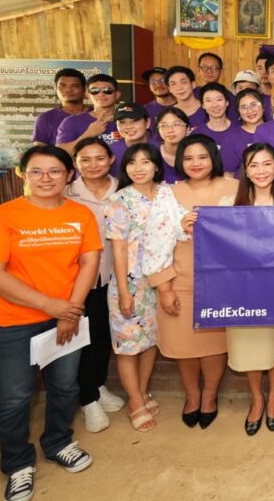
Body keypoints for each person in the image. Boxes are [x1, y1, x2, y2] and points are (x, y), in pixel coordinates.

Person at [0, 145, 102, 500]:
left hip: (66, 317)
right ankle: (17, 463)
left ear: (69, 175)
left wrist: (71, 311)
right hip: (10, 323)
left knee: (65, 386)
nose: (46, 178)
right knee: (15, 397)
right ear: (22, 175)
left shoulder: (81, 214)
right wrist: (52, 306)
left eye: (55, 171)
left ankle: (58, 441)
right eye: (36, 171)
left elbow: (89, 263)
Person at [143, 134, 236, 430]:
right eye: (188, 158)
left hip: (224, 284)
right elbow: (155, 243)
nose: (196, 163)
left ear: (213, 158)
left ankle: (209, 396)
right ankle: (192, 395)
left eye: (202, 157)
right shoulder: (168, 194)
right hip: (180, 280)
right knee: (183, 345)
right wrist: (164, 287)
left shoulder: (234, 188)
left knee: (214, 344)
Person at [230, 143, 274, 436]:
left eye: (267, 164)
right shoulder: (228, 203)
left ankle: (272, 398)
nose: (261, 171)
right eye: (254, 165)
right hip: (240, 294)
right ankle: (256, 399)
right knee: (248, 348)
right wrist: (191, 222)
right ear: (246, 171)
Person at [65, 138, 124, 434]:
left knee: (102, 336)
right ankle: (87, 399)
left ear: (111, 159)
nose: (93, 165)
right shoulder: (66, 194)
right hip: (77, 280)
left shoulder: (123, 189)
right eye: (85, 159)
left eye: (99, 158)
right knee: (82, 339)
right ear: (76, 163)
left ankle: (98, 386)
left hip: (113, 277)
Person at [105, 143, 165, 433]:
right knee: (128, 346)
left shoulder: (167, 194)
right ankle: (135, 401)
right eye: (132, 163)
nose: (138, 168)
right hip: (129, 283)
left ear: (156, 166)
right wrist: (124, 291)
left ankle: (141, 392)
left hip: (160, 280)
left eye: (145, 162)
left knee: (151, 340)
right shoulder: (120, 200)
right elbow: (118, 249)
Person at [56, 73, 121, 154]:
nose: (101, 94)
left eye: (107, 90)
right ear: (88, 95)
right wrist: (88, 134)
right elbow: (60, 153)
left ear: (117, 94)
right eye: (94, 91)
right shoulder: (72, 121)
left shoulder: (129, 120)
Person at [192, 82, 248, 174]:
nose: (214, 105)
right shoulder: (197, 134)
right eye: (208, 101)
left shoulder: (241, 129)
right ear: (203, 105)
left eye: (219, 99)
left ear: (227, 102)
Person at [33, 68, 89, 146]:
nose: (68, 90)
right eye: (62, 86)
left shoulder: (98, 114)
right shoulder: (45, 118)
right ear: (56, 88)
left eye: (74, 86)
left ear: (84, 89)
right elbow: (40, 150)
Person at [221, 88, 266, 175]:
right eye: (243, 107)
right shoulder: (232, 136)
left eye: (253, 105)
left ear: (263, 106)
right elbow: (229, 173)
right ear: (239, 111)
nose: (250, 111)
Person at [109, 102, 151, 175]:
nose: (128, 126)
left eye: (135, 121)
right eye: (122, 122)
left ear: (147, 123)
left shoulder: (161, 149)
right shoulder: (110, 151)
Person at [154, 107, 190, 184]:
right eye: (164, 125)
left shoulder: (196, 153)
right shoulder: (151, 153)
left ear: (188, 129)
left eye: (176, 124)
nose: (170, 130)